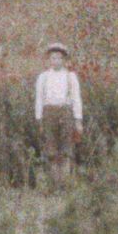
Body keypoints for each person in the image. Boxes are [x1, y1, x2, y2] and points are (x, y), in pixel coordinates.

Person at [34, 42, 83, 185]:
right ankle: (54, 183)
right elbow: (39, 99)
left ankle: (65, 182)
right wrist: (39, 119)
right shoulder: (43, 77)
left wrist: (78, 120)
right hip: (49, 113)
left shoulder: (70, 77)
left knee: (66, 148)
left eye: (59, 58)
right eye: (53, 58)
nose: (56, 61)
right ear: (49, 60)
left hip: (66, 112)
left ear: (64, 60)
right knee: (51, 149)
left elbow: (76, 98)